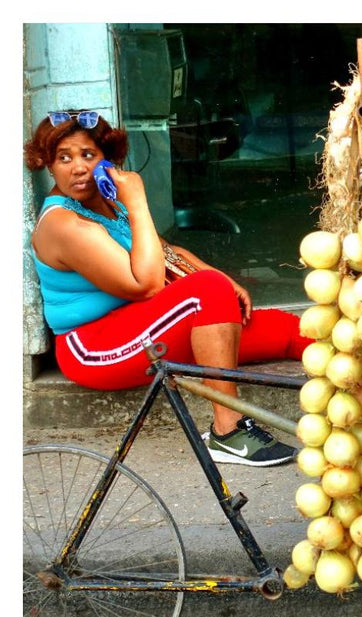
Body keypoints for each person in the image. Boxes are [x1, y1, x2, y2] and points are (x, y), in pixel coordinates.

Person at [24, 109, 312, 466]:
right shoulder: (62, 224)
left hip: (144, 325)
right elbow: (145, 283)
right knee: (206, 290)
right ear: (48, 165)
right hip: (94, 347)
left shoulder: (109, 203)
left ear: (107, 159)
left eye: (88, 154)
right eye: (63, 158)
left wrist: (225, 283)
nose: (78, 168)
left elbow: (167, 252)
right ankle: (228, 431)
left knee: (288, 330)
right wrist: (138, 200)